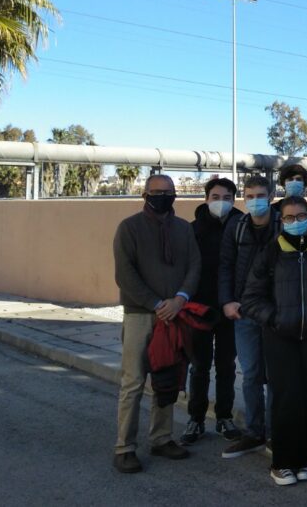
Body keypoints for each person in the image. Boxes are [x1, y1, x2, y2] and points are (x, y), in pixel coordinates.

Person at [112, 174, 200, 473]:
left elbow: (194, 266)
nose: (162, 196)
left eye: (168, 192)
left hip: (175, 314)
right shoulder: (129, 228)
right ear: (145, 194)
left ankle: (161, 438)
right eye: (156, 191)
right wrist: (155, 303)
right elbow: (125, 274)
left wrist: (180, 299)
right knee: (133, 382)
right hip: (140, 314)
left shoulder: (184, 229)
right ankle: (125, 447)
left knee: (167, 379)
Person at [241, 196, 307, 486]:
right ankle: (282, 462)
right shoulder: (271, 252)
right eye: (289, 217)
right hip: (280, 337)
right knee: (285, 399)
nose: (295, 221)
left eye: (300, 215)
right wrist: (276, 318)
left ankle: (305, 459)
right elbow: (251, 298)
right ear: (281, 220)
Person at [217, 174, 279, 458]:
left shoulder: (283, 224)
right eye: (249, 196)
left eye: (260, 195)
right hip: (243, 313)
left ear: (272, 196)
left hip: (277, 313)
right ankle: (254, 432)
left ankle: (276, 435)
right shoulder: (236, 227)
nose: (255, 201)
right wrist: (227, 301)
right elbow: (226, 266)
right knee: (252, 374)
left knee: (277, 376)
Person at [181, 177, 243, 447]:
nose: (221, 202)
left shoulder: (242, 227)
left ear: (234, 199)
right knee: (199, 366)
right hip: (200, 309)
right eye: (215, 197)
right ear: (206, 199)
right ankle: (195, 419)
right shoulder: (192, 230)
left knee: (227, 366)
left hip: (231, 309)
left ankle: (224, 417)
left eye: (227, 197)